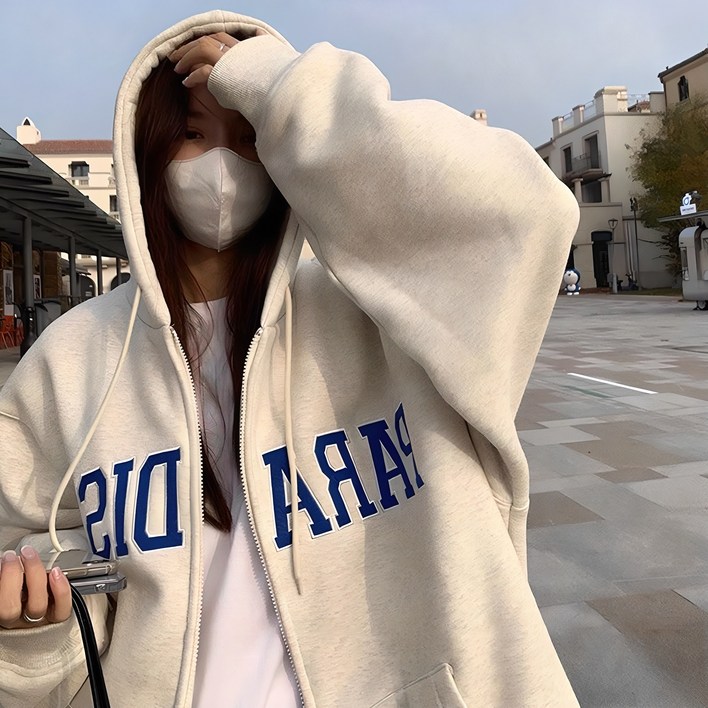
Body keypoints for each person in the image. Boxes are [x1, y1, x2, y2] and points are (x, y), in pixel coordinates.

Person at [0, 10, 580, 707]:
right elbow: (36, 552)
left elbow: (528, 215)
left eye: (250, 138)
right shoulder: (67, 361)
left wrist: (283, 87)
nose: (222, 169)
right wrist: (39, 626)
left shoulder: (383, 317)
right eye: (192, 134)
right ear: (148, 149)